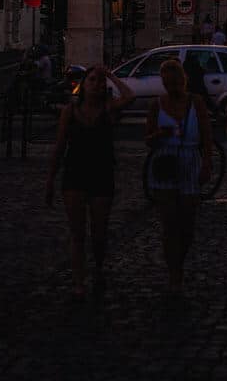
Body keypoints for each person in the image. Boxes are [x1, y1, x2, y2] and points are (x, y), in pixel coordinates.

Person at [45, 65, 134, 298]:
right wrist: (50, 180)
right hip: (75, 173)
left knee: (99, 232)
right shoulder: (69, 111)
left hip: (102, 173)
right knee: (77, 232)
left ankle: (98, 267)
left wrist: (111, 75)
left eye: (100, 81)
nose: (97, 84)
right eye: (92, 80)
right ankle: (79, 281)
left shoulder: (108, 108)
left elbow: (129, 96)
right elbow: (59, 147)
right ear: (83, 85)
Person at [146, 59, 213, 296]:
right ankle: (175, 272)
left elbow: (207, 135)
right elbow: (149, 140)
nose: (170, 86)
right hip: (164, 163)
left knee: (187, 225)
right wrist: (158, 133)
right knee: (169, 223)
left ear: (182, 81)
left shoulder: (196, 103)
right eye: (166, 82)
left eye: (173, 81)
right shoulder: (157, 105)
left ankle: (178, 262)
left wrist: (207, 163)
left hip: (189, 160)